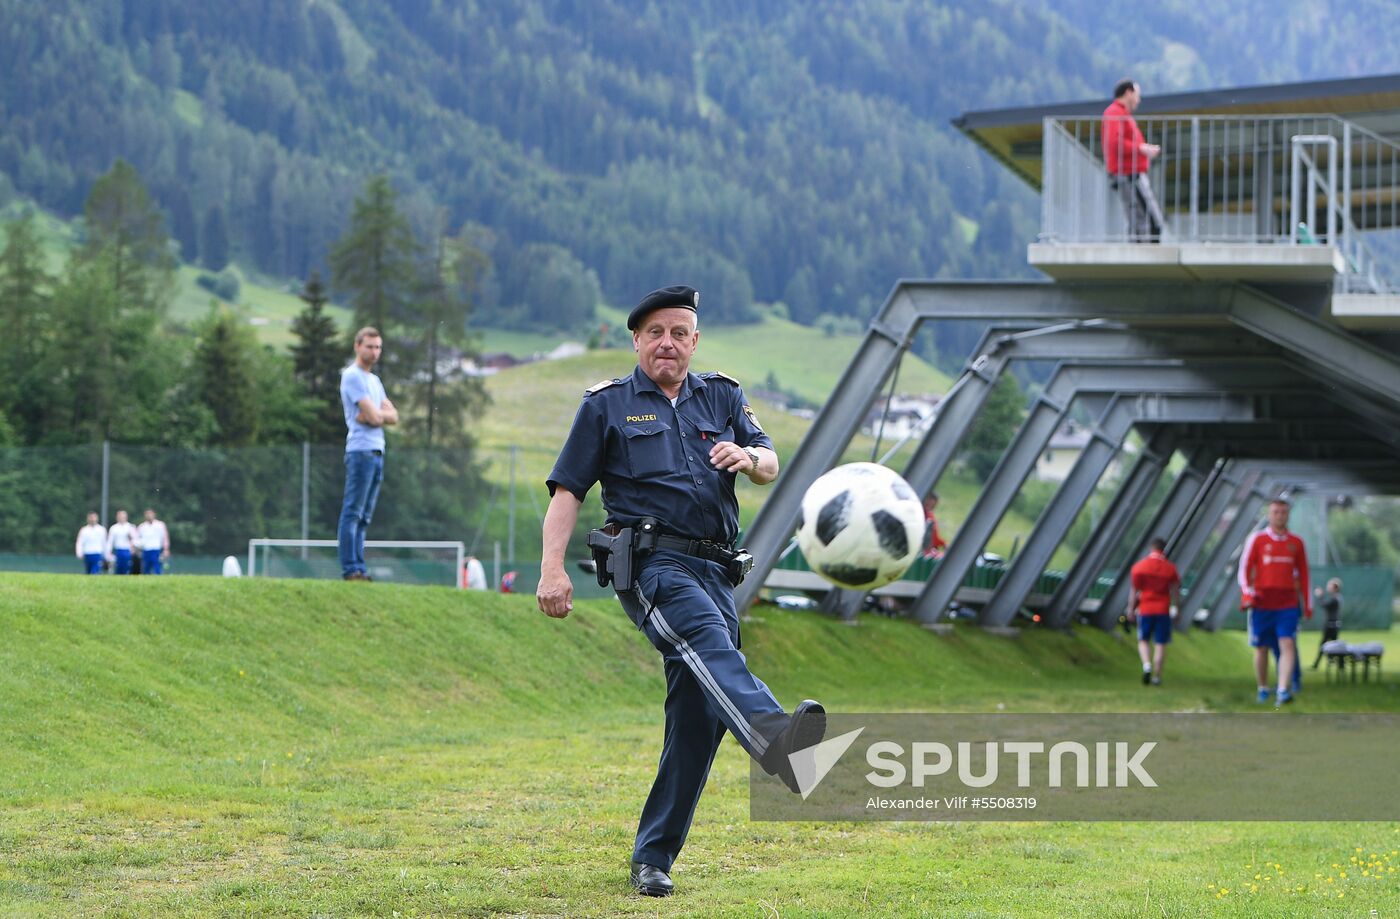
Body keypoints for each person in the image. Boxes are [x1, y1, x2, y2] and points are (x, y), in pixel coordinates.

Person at [536, 285, 825, 898]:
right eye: (654, 333)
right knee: (704, 640)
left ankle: (652, 858)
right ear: (637, 341)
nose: (667, 343)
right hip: (652, 566)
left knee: (697, 715)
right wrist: (551, 570)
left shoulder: (723, 395)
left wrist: (746, 456)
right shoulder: (606, 406)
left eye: (679, 332)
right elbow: (567, 492)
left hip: (718, 569)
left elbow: (771, 462)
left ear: (694, 341)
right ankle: (779, 743)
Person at [1238, 498, 1311, 706]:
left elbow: (1305, 574)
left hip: (1287, 603)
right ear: (1269, 515)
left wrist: (1307, 604)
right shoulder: (1257, 540)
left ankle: (1282, 690)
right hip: (1262, 603)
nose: (1280, 516)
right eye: (1276, 512)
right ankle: (1263, 688)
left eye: (1284, 512)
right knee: (1262, 647)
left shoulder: (1296, 543)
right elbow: (1244, 569)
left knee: (1287, 642)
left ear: (1288, 515)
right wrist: (1247, 593)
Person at [339, 327, 398, 581]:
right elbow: (373, 415)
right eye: (370, 346)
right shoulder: (352, 376)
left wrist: (376, 416)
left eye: (378, 347)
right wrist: (375, 415)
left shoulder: (374, 381)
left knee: (364, 515)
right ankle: (350, 568)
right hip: (360, 450)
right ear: (357, 346)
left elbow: (390, 416)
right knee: (352, 511)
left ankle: (360, 568)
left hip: (377, 450)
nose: (374, 352)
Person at [1102, 78, 1165, 243]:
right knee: (1148, 221)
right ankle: (1145, 259)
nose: (1139, 100)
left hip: (1132, 175)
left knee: (1142, 219)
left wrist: (1142, 148)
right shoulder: (1115, 112)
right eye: (1137, 95)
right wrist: (1141, 148)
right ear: (1128, 92)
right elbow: (1115, 142)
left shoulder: (1122, 114)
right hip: (1129, 175)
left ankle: (1143, 253)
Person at [1128, 537, 1180, 686]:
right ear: (1164, 550)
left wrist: (1131, 609)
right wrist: (1178, 608)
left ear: (1151, 548)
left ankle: (1146, 665)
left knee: (1143, 640)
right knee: (1160, 643)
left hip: (1145, 609)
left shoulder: (1139, 567)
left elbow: (1134, 590)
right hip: (1163, 609)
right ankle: (1157, 676)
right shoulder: (1170, 568)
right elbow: (1175, 591)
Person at [1311, 577, 1344, 669]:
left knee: (1326, 645)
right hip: (1333, 625)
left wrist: (1320, 596)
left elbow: (1325, 605)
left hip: (1331, 626)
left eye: (1330, 586)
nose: (1328, 587)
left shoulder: (1335, 599)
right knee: (1332, 645)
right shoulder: (1336, 598)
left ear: (1335, 588)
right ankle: (1339, 664)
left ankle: (1318, 664)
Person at [137, 508, 170, 575]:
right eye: (147, 514)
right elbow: (137, 539)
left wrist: (166, 549)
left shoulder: (160, 525)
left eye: (150, 514)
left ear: (154, 514)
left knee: (157, 567)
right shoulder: (142, 526)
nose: (149, 515)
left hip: (156, 550)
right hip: (146, 550)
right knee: (146, 568)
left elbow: (165, 537)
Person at [106, 509, 138, 575]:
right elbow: (110, 541)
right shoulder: (114, 528)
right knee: (118, 568)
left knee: (127, 568)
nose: (121, 518)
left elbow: (136, 540)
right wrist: (108, 552)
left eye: (123, 516)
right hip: (118, 551)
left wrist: (132, 541)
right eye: (120, 516)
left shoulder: (130, 527)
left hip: (128, 551)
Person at [922, 493, 947, 559]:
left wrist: (943, 544)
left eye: (932, 506)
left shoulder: (930, 516)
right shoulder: (918, 514)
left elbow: (935, 537)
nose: (929, 508)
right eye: (927, 505)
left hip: (930, 549)